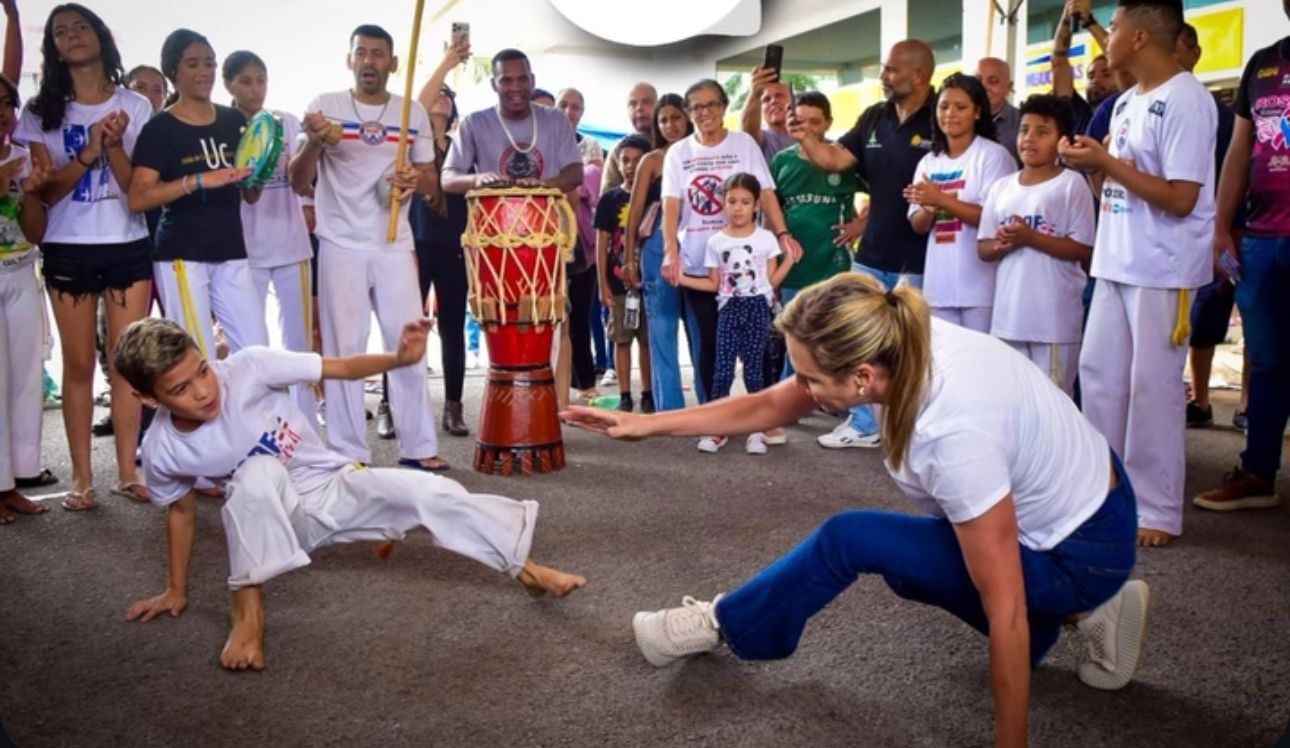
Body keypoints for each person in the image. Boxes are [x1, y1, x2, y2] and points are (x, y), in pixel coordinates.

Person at [563, 273, 1150, 746]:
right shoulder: (901, 335)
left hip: (1083, 548)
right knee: (905, 564)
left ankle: (726, 622)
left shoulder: (953, 433)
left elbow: (1007, 608)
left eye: (811, 378)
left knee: (854, 538)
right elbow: (773, 403)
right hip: (1092, 504)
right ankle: (1085, 616)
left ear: (863, 376)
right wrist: (646, 425)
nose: (803, 389)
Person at [118, 316, 585, 671]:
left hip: (334, 487)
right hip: (280, 522)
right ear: (148, 399)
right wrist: (174, 589)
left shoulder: (247, 368)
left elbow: (336, 366)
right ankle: (247, 614)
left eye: (201, 370)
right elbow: (179, 511)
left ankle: (523, 568)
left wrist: (398, 360)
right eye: (181, 388)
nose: (203, 391)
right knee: (255, 474)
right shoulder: (161, 450)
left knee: (428, 490)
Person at [1059, 0, 1216, 547]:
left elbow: (1180, 198)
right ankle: (1101, 495)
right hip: (1116, 259)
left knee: (1152, 390)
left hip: (1162, 268)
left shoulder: (1187, 101)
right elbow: (1119, 187)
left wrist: (1106, 164)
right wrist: (1091, 165)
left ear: (1143, 36)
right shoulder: (1126, 101)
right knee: (1100, 378)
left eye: (1117, 26)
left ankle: (1157, 509)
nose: (1108, 37)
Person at [288, 24, 448, 472]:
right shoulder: (326, 107)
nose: (369, 61)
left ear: (393, 63)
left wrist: (415, 180)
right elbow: (298, 180)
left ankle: (418, 446)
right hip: (340, 242)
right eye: (361, 53)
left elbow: (432, 182)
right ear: (350, 59)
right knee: (344, 347)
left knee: (408, 340)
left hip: (395, 244)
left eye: (378, 54)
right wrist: (316, 142)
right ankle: (346, 452)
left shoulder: (411, 112)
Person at [15, 3, 155, 510]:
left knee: (125, 363)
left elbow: (137, 187)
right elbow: (43, 194)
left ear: (100, 36)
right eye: (60, 32)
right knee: (77, 365)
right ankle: (81, 478)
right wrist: (89, 151)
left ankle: (125, 471)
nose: (71, 35)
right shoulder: (39, 112)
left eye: (80, 26)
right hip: (67, 246)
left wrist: (112, 147)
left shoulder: (136, 105)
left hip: (127, 242)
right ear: (52, 48)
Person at [790, 39, 935, 450]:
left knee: (915, 349)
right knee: (852, 338)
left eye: (890, 69)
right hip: (870, 255)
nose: (882, 76)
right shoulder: (875, 116)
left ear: (918, 75)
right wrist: (805, 138)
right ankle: (863, 424)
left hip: (922, 258)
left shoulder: (940, 116)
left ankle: (916, 429)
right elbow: (836, 159)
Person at [440, 48, 584, 406]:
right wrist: (476, 179)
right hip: (495, 245)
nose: (515, 87)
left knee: (552, 321)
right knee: (503, 325)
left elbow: (575, 172)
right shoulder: (475, 123)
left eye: (522, 79)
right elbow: (447, 178)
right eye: (506, 79)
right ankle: (513, 403)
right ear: (494, 83)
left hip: (544, 238)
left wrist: (542, 185)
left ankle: (554, 408)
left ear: (532, 81)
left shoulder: (554, 121)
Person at [1193, 4, 1290, 513]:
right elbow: (1238, 153)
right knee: (1269, 362)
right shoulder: (1262, 64)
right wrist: (1221, 227)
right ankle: (1258, 472)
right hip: (1260, 237)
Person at [129, 29, 269, 377]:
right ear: (174, 71)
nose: (204, 71)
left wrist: (259, 172)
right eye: (193, 64)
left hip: (231, 248)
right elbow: (138, 197)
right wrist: (196, 181)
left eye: (209, 63)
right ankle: (205, 431)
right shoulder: (160, 129)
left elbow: (250, 194)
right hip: (182, 255)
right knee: (196, 359)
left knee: (257, 352)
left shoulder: (233, 120)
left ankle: (249, 429)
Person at [660, 78, 800, 413]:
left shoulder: (743, 144)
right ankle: (714, 414)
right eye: (697, 106)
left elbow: (766, 192)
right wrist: (670, 249)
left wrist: (782, 234)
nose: (705, 112)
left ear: (724, 108)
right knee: (710, 344)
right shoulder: (679, 152)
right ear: (689, 112)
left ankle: (764, 416)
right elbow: (671, 203)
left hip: (748, 267)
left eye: (712, 105)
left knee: (756, 346)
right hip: (699, 263)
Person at [223, 51, 317, 424]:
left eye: (260, 79)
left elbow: (301, 182)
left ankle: (305, 426)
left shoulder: (285, 121)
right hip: (243, 251)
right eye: (245, 81)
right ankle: (254, 426)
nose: (255, 89)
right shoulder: (223, 126)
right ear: (228, 84)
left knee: (299, 344)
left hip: (292, 246)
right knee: (250, 346)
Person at [978, 94, 1095, 395]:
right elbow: (984, 248)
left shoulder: (1071, 184)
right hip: (1009, 318)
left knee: (1053, 403)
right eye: (1024, 130)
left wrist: (1030, 238)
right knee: (1013, 401)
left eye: (1042, 132)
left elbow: (1083, 250)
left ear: (1061, 140)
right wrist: (1003, 244)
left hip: (1053, 321)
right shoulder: (1002, 187)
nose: (1029, 139)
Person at [676, 173, 793, 453]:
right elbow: (714, 284)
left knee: (755, 371)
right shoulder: (716, 242)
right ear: (723, 204)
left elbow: (771, 280)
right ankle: (719, 428)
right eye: (732, 201)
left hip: (757, 309)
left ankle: (757, 430)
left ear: (757, 205)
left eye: (745, 202)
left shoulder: (766, 239)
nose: (738, 207)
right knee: (722, 369)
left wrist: (789, 258)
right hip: (728, 309)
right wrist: (681, 278)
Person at [904, 73, 1016, 333]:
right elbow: (918, 226)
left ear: (977, 112)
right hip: (938, 287)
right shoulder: (929, 161)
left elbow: (994, 220)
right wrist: (929, 209)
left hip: (981, 289)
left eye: (960, 107)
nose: (950, 114)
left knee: (981, 365)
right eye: (943, 107)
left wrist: (939, 198)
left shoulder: (993, 156)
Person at [770, 90, 862, 378]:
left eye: (815, 122)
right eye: (801, 121)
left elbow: (886, 194)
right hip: (793, 268)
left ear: (828, 122)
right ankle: (793, 395)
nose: (807, 129)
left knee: (832, 336)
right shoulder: (781, 162)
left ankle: (828, 397)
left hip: (834, 265)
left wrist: (861, 225)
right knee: (794, 334)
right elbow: (769, 212)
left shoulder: (845, 159)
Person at [0, 74, 56, 524]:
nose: (1, 111)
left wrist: (31, 193)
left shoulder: (22, 160)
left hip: (21, 274)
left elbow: (36, 232)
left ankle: (17, 480)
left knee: (24, 382)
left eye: (6, 102)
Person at [622, 93, 692, 412]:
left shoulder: (701, 154)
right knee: (661, 329)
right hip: (654, 248)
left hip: (697, 246)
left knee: (699, 326)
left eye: (676, 117)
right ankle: (670, 409)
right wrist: (628, 258)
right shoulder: (651, 160)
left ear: (687, 117)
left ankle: (709, 406)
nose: (670, 125)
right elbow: (634, 215)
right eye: (663, 119)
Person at [594, 134, 653, 413]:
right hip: (618, 282)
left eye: (638, 160)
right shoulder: (610, 198)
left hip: (648, 280)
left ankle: (648, 393)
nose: (631, 166)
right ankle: (625, 394)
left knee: (646, 340)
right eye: (625, 160)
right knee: (620, 338)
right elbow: (601, 242)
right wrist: (602, 283)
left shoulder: (655, 196)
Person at [601, 82, 656, 192]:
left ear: (658, 106)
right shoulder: (619, 150)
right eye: (632, 104)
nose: (639, 108)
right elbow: (607, 196)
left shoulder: (672, 145)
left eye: (646, 102)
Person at [739, 66, 794, 165]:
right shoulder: (764, 138)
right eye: (766, 99)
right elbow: (747, 133)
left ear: (793, 101)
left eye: (779, 95)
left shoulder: (809, 136)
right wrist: (755, 94)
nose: (773, 101)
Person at [974, 57, 1021, 166]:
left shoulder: (1020, 123)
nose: (983, 86)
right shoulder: (961, 119)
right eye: (978, 80)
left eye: (993, 81)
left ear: (1009, 87)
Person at [557, 87, 604, 166]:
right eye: (562, 106)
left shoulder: (590, 146)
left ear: (582, 112)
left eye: (575, 107)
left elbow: (596, 176)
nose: (568, 111)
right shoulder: (540, 140)